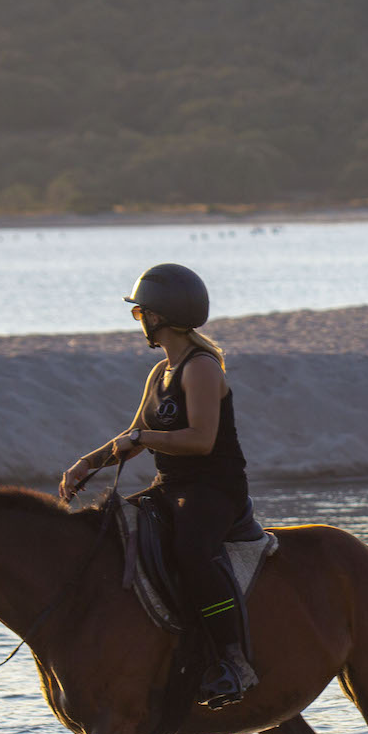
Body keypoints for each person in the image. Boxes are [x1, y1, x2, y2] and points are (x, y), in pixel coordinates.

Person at [58, 263, 258, 706]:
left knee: (191, 550)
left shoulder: (201, 367)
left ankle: (232, 659)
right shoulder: (159, 373)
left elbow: (202, 441)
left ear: (158, 316)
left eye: (139, 313)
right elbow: (130, 437)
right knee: (114, 530)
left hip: (214, 489)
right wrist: (86, 465)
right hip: (171, 484)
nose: (139, 322)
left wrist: (144, 438)